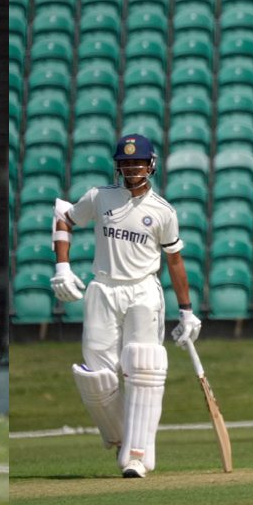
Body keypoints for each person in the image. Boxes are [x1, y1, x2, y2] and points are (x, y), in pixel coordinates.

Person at [50, 134, 201, 478]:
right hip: (103, 288)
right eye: (126, 162)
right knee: (97, 377)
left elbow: (175, 262)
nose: (132, 167)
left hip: (143, 292)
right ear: (118, 166)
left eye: (138, 161)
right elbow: (64, 219)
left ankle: (137, 455)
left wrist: (187, 310)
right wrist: (62, 267)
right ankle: (126, 440)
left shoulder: (163, 212)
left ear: (151, 164)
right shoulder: (100, 197)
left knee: (143, 368)